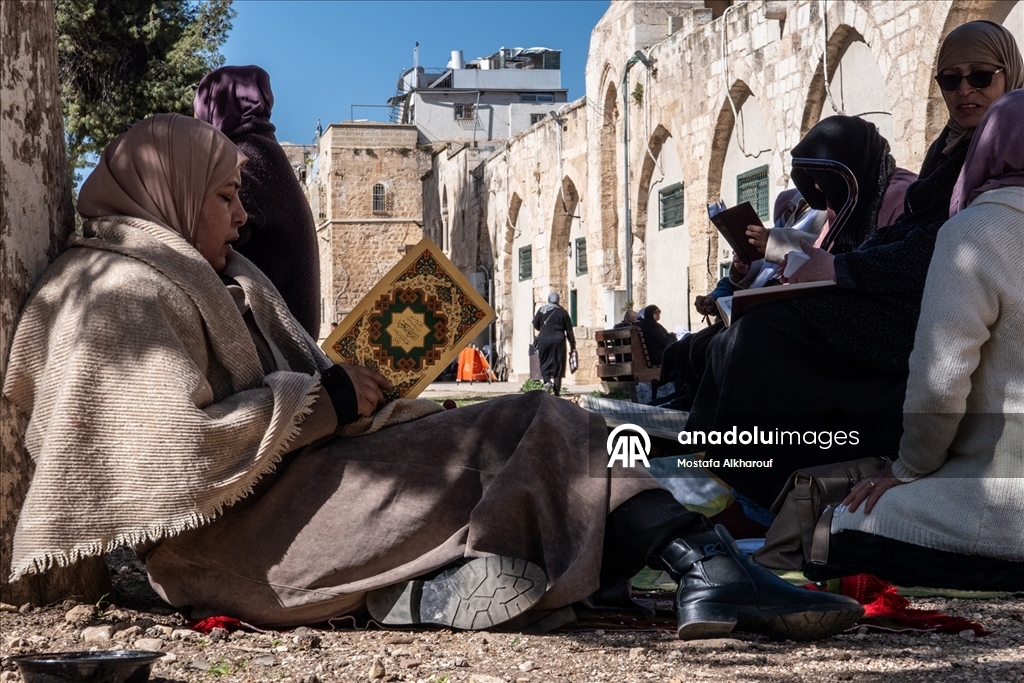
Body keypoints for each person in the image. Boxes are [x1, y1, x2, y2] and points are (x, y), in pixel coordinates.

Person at [3, 114, 860, 640]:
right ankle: (705, 567)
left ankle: (438, 587)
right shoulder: (118, 289)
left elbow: (287, 394)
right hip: (233, 547)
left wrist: (348, 390)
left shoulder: (201, 271)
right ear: (170, 189)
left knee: (526, 422)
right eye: (227, 195)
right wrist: (320, 402)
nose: (245, 213)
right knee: (537, 430)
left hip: (291, 502)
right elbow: (160, 457)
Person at [685, 20, 1023, 509]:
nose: (964, 91)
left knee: (765, 337)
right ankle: (721, 472)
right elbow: (909, 231)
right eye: (950, 80)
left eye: (981, 77)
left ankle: (759, 493)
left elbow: (944, 243)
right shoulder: (947, 148)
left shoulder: (1002, 145)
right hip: (902, 288)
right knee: (741, 333)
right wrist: (837, 266)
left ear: (1007, 74)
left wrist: (842, 270)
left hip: (933, 301)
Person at [820, 90, 1024, 591]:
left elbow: (942, 379)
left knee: (846, 522)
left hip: (1002, 503)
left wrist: (909, 468)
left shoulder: (974, 232)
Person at [194, 65, 321, 337]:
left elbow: (211, 245)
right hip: (294, 332)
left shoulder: (244, 161)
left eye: (199, 115)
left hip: (279, 343)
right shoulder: (266, 152)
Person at [532, 292, 576, 396]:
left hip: (544, 340)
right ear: (558, 300)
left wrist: (544, 330)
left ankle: (547, 381)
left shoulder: (542, 310)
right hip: (559, 341)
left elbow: (535, 323)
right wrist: (572, 345)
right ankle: (557, 391)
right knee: (558, 364)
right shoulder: (563, 312)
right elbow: (569, 331)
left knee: (544, 362)